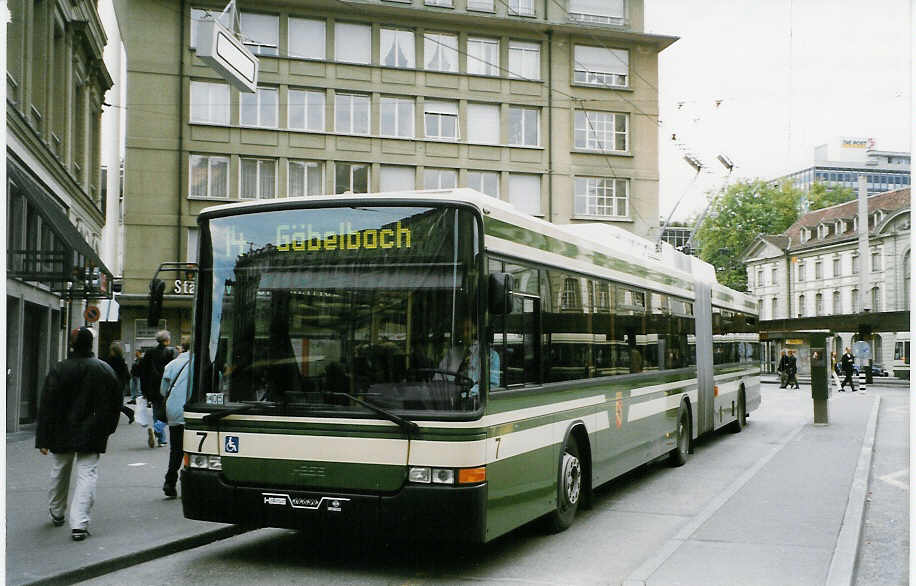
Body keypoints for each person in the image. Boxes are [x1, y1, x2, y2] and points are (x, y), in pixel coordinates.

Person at [35, 327, 122, 541]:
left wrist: (43, 438)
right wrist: (107, 430)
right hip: (92, 431)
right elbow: (115, 403)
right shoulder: (104, 369)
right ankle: (79, 523)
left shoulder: (59, 369)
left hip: (61, 431)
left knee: (60, 470)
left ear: (72, 345)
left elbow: (47, 405)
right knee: (87, 474)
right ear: (91, 344)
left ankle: (57, 512)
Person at [161, 336, 192, 499]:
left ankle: (170, 482)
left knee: (176, 449)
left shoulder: (171, 365)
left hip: (173, 410)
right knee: (193, 448)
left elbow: (163, 390)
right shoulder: (200, 363)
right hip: (193, 411)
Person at [140, 330, 178, 448]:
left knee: (157, 411)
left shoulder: (150, 353)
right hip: (167, 387)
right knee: (169, 412)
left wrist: (144, 390)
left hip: (153, 388)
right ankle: (158, 433)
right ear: (167, 340)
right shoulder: (170, 353)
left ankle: (160, 437)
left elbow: (143, 372)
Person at [104, 342, 134, 424]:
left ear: (114, 351)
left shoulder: (110, 361)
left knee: (114, 403)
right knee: (115, 402)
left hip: (113, 384)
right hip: (120, 384)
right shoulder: (122, 361)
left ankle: (129, 413)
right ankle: (129, 413)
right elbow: (127, 375)